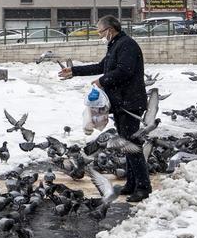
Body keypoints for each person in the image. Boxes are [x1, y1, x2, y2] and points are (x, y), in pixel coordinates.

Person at [58, 15, 151, 202]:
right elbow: (103, 66)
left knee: (133, 146)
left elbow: (125, 71)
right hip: (121, 103)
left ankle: (143, 187)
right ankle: (132, 183)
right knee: (127, 145)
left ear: (110, 29)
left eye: (101, 32)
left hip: (130, 103)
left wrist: (102, 81)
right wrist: (74, 71)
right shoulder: (116, 45)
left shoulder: (127, 45)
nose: (100, 35)